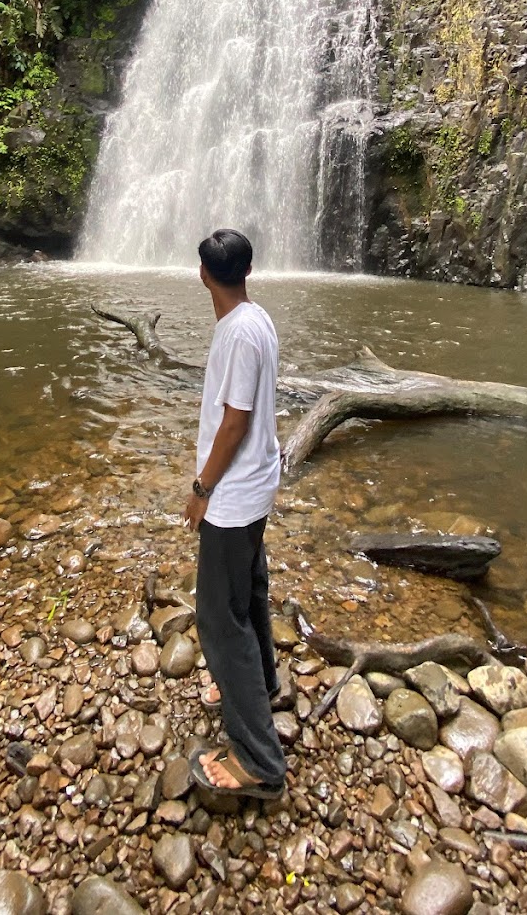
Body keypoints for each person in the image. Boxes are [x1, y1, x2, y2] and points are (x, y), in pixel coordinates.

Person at [184, 228, 286, 801]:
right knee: (248, 594)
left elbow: (235, 422)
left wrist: (201, 488)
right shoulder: (256, 319)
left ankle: (259, 760)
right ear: (245, 271)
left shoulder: (238, 336)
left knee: (220, 622)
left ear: (205, 274)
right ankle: (262, 683)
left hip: (233, 495)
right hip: (254, 487)